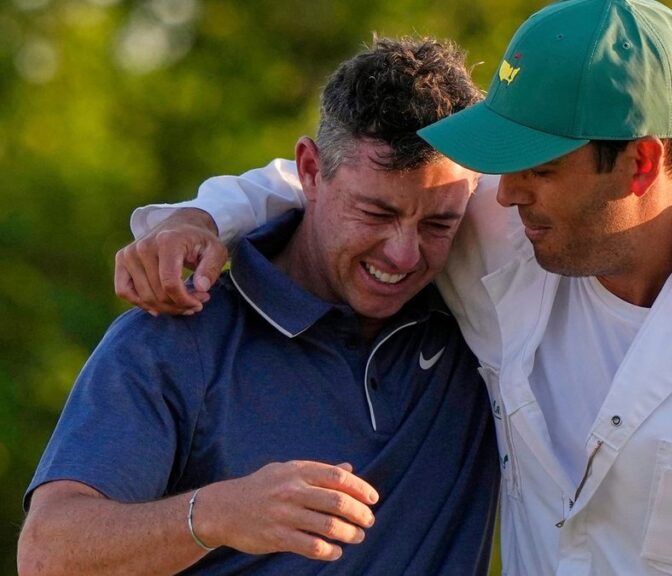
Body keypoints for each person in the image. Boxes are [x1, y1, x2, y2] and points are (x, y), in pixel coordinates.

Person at [108, 7, 672, 576]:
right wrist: (196, 219)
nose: (503, 193)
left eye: (539, 167)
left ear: (641, 163)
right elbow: (332, 185)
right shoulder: (501, 237)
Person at [18, 37, 501, 575]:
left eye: (438, 223)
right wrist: (214, 515)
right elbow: (46, 554)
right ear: (310, 171)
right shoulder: (176, 336)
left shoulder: (483, 319)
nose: (404, 254)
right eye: (375, 213)